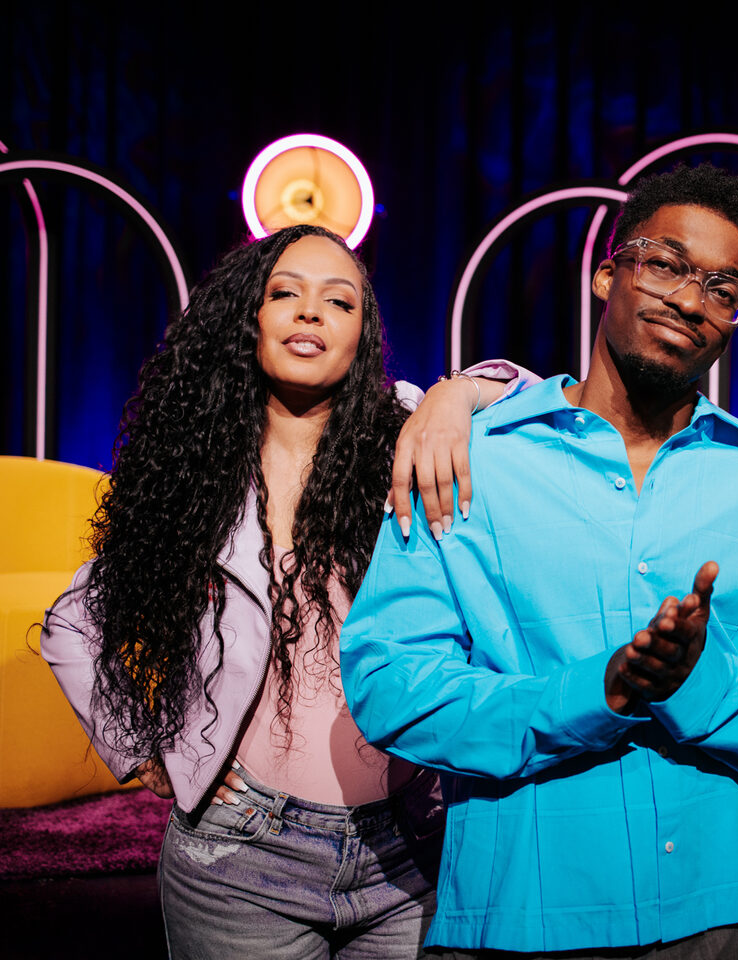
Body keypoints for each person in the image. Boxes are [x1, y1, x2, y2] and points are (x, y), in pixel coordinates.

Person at [340, 164, 738, 959]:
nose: (691, 301)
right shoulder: (469, 461)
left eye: (724, 289)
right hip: (524, 915)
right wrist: (598, 692)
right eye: (667, 264)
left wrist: (699, 681)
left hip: (717, 918)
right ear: (607, 274)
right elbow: (389, 685)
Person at [40, 223, 523, 959]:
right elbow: (72, 624)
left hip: (410, 849)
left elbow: (545, 402)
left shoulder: (409, 434)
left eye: (340, 301)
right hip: (241, 860)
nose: (310, 312)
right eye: (285, 293)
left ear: (362, 335)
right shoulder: (195, 473)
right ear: (250, 319)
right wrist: (144, 751)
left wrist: (457, 393)